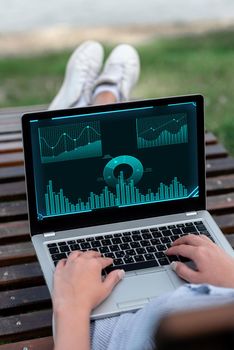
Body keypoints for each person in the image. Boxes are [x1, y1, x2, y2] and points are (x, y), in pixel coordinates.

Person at [50, 41, 234, 350]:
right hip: (214, 288)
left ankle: (88, 105)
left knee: (70, 230)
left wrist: (71, 308)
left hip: (100, 324)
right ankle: (102, 99)